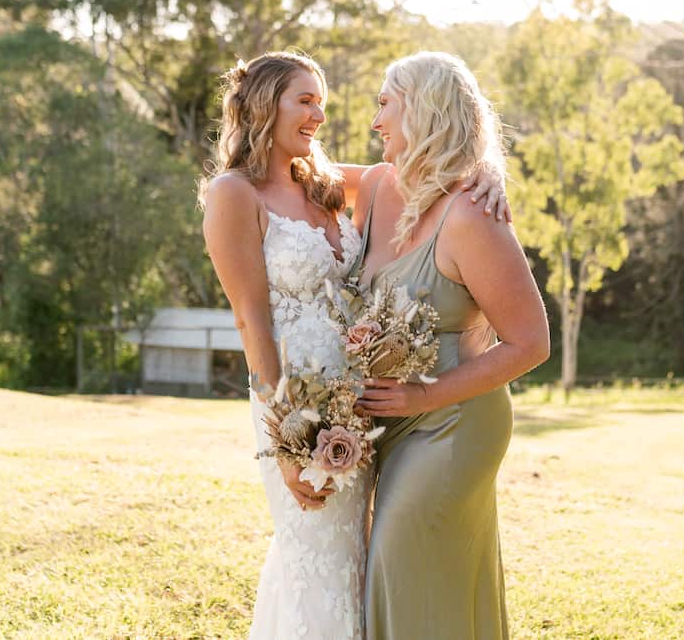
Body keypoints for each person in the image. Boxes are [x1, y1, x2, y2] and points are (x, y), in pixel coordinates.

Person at [199, 50, 509, 640]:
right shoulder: (232, 194)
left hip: (361, 408)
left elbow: (434, 164)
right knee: (313, 555)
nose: (319, 115)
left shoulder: (324, 183)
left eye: (323, 102)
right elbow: (252, 324)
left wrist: (487, 170)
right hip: (299, 407)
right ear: (265, 104)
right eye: (305, 100)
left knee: (361, 562)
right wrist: (287, 438)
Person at [352, 51, 549, 640]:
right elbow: (285, 170)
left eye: (385, 102)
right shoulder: (375, 185)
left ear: (424, 109)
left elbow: (531, 341)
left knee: (399, 560)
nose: (375, 119)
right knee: (418, 578)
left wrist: (423, 395)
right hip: (393, 426)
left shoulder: (472, 214)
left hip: (455, 423)